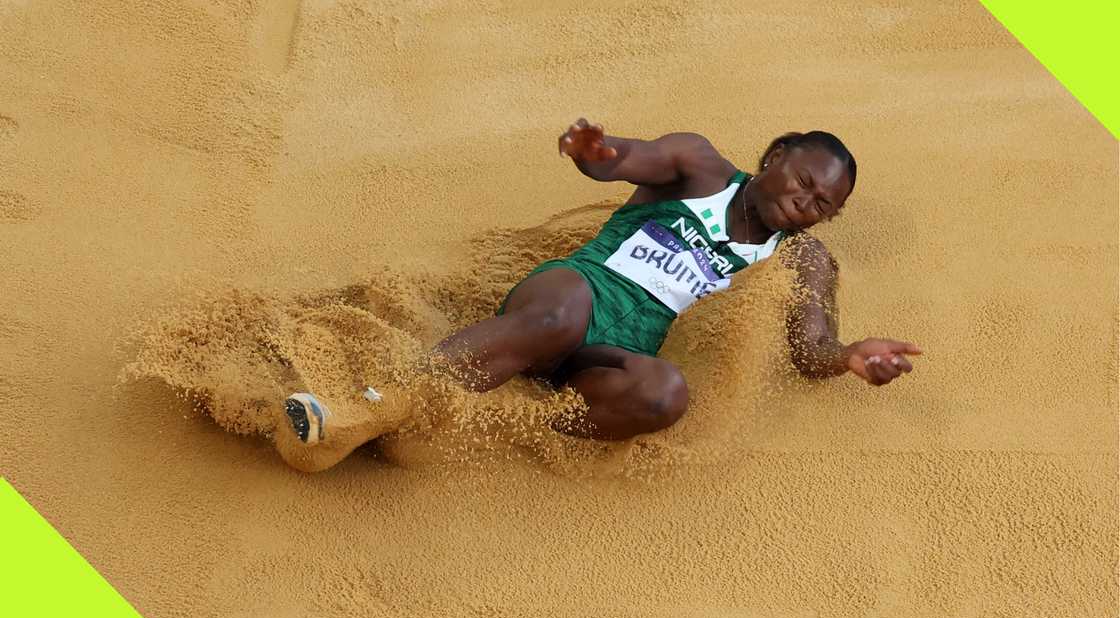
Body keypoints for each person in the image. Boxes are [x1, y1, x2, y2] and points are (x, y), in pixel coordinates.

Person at [277, 118, 921, 472]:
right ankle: (368, 406)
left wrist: (850, 356)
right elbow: (623, 158)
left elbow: (811, 351)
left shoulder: (801, 257)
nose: (805, 202)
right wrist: (595, 154)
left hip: (618, 351)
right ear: (776, 155)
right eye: (805, 180)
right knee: (560, 315)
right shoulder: (698, 166)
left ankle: (510, 418)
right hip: (579, 290)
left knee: (667, 396)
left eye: (823, 204)